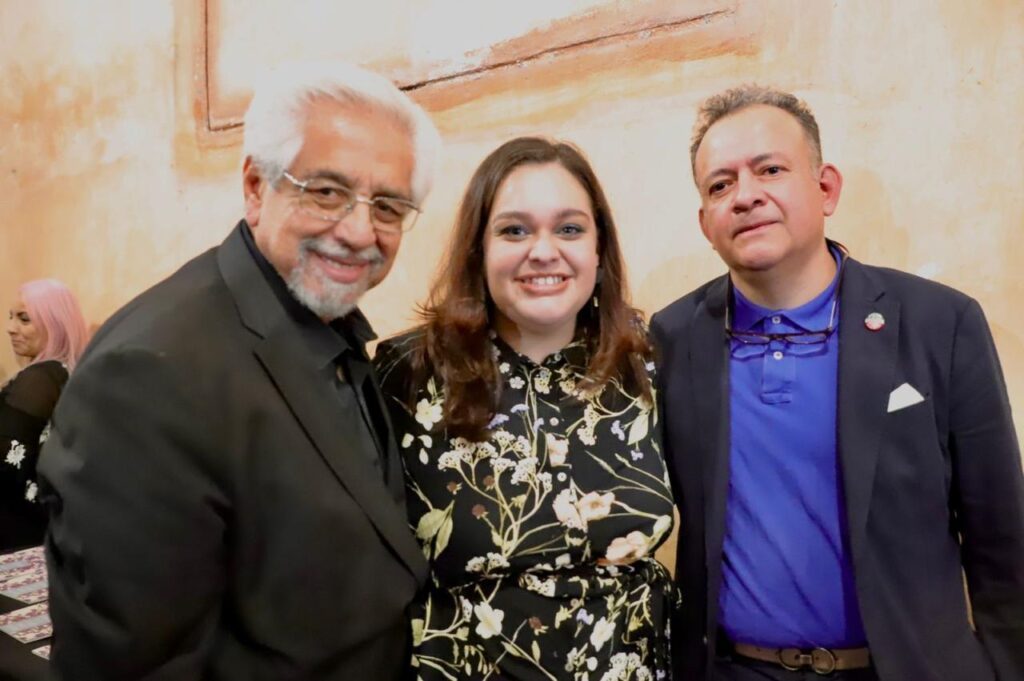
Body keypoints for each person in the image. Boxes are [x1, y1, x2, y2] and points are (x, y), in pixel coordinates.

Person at [37, 61, 442, 680]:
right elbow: (142, 665)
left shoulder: (326, 326)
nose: (360, 231)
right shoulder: (149, 373)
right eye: (326, 191)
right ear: (256, 187)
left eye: (387, 206)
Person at [651, 84, 1024, 681]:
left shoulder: (938, 323)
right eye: (720, 185)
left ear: (826, 188)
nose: (745, 196)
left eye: (770, 170)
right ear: (705, 222)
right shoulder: (673, 339)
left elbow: (1002, 537)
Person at [374, 137, 676, 680]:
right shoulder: (408, 372)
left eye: (569, 229)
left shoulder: (646, 361)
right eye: (514, 230)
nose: (543, 251)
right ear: (478, 250)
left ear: (599, 250)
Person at [1, 279, 87, 552]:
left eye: (24, 319)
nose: (10, 328)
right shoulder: (65, 373)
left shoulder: (38, 380)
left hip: (14, 530)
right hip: (45, 527)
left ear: (55, 324)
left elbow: (7, 461)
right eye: (11, 317)